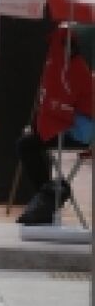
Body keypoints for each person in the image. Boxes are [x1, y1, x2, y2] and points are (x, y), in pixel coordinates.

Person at [17, 27, 93, 225]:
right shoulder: (69, 67)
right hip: (75, 128)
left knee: (27, 145)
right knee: (29, 143)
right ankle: (49, 194)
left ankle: (49, 194)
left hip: (79, 132)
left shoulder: (70, 71)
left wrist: (43, 125)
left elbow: (61, 108)